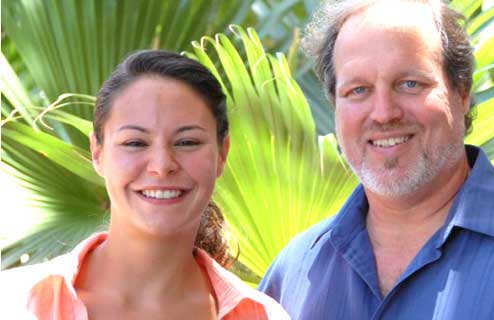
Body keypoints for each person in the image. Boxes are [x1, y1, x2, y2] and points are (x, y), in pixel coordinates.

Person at [258, 0, 494, 319]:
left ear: (462, 92)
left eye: (410, 84)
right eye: (358, 90)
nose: (384, 113)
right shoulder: (292, 276)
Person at [1, 50, 289, 320]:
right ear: (97, 153)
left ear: (222, 153)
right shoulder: (14, 303)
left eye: (187, 142)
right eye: (135, 143)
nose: (162, 166)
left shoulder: (263, 315)